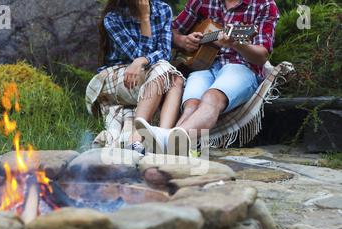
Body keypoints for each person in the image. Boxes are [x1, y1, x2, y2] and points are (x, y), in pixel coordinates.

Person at [136, 0, 280, 156]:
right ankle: (173, 147)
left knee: (212, 98)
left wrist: (236, 44)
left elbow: (262, 56)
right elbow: (169, 31)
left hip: (240, 67)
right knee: (191, 105)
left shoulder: (264, 4)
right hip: (202, 66)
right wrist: (183, 41)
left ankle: (165, 141)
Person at [86, 0, 184, 154]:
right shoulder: (113, 18)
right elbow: (138, 54)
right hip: (119, 75)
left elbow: (164, 52)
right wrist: (145, 18)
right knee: (166, 72)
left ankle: (162, 136)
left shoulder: (163, 9)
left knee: (175, 79)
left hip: (151, 71)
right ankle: (136, 139)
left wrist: (142, 61)